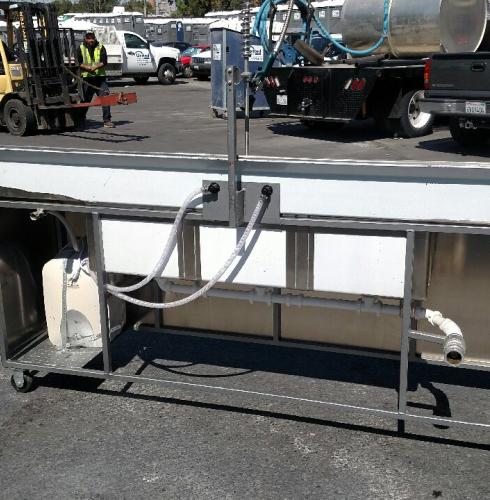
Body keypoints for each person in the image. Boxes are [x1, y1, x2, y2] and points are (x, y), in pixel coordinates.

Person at [77, 31, 114, 128]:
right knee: (85, 100)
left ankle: (107, 120)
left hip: (99, 78)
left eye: (92, 38)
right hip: (87, 78)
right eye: (88, 38)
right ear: (85, 38)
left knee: (105, 98)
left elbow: (104, 61)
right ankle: (80, 120)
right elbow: (78, 62)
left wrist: (95, 67)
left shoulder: (100, 47)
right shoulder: (81, 47)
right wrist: (87, 68)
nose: (91, 40)